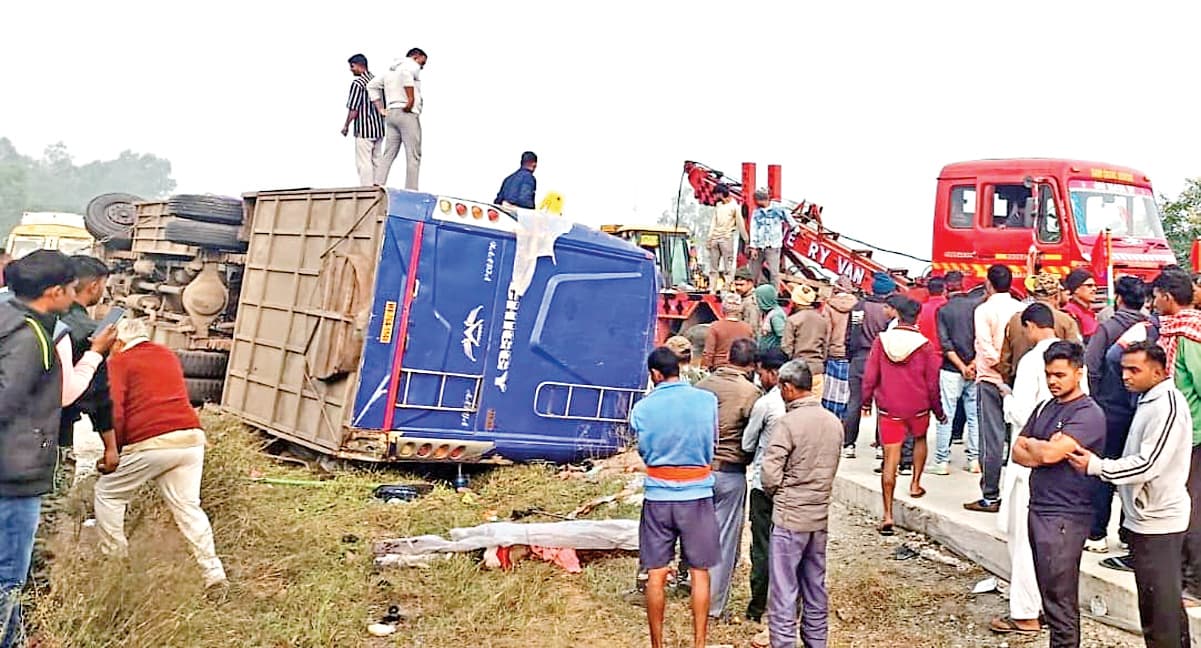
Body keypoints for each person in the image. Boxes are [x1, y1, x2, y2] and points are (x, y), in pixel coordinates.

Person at [1068, 342, 1192, 648]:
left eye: (1134, 369)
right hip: (1146, 518)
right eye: (1123, 369)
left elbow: (1149, 463)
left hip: (1158, 521)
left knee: (1159, 614)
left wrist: (1097, 466)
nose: (1126, 376)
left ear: (1159, 371)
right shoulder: (1148, 399)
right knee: (1162, 608)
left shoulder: (1167, 406)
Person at [94, 318, 228, 591]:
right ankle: (213, 574)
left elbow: (114, 410)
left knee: (108, 494)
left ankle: (115, 567)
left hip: (152, 441)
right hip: (191, 438)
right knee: (188, 508)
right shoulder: (167, 355)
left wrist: (113, 450)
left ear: (119, 343)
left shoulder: (120, 361)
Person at [0, 250, 77, 647]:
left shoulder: (5, 317)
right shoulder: (33, 338)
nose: (75, 295)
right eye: (72, 288)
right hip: (14, 473)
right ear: (54, 291)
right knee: (8, 574)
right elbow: (6, 401)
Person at [1011, 341, 1105, 648]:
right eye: (1049, 374)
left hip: (1066, 514)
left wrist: (1041, 448)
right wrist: (1043, 448)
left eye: (1060, 375)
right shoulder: (1045, 406)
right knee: (1049, 594)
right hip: (1039, 507)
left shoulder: (1088, 413)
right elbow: (1017, 451)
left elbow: (1050, 454)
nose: (1053, 381)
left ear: (1078, 374)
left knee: (1060, 598)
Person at [630, 347, 721, 648]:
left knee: (656, 573)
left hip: (658, 495)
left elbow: (643, 450)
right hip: (697, 493)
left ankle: (657, 643)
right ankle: (699, 642)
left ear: (655, 374)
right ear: (679, 369)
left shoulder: (642, 409)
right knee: (700, 572)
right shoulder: (706, 400)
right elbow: (714, 441)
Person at [760, 360, 843, 648]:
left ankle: (784, 643)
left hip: (789, 517)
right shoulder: (833, 422)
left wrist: (780, 495)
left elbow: (769, 475)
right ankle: (816, 642)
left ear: (788, 387)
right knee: (815, 587)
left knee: (783, 591)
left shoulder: (788, 423)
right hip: (818, 517)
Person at [991, 303, 1060, 637]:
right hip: (1058, 457)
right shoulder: (1072, 357)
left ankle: (1025, 614)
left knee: (1023, 540)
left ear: (1031, 326)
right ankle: (1049, 608)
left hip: (1029, 456)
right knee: (1048, 542)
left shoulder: (1034, 360)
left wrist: (1005, 396)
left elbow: (1021, 412)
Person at [861, 296, 945, 535]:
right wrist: (938, 410)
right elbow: (932, 384)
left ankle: (887, 514)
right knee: (919, 440)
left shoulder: (882, 341)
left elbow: (870, 376)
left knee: (890, 457)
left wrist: (866, 401)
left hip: (889, 407)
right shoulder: (925, 346)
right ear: (917, 317)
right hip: (918, 405)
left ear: (897, 314)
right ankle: (915, 483)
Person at [1084, 276, 1153, 554]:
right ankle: (1127, 533)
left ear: (1119, 299)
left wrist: (1098, 395)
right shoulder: (1150, 328)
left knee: (1103, 471)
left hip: (1109, 410)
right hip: (1138, 410)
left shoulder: (1108, 327)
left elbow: (1091, 364)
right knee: (1132, 471)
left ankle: (1098, 534)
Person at [694, 338, 761, 621]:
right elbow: (753, 437)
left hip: (696, 470)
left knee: (696, 536)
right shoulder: (751, 393)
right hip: (730, 472)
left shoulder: (701, 386)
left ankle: (691, 588)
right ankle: (711, 607)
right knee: (722, 541)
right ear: (751, 365)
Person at [1154, 268, 1201, 601]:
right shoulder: (1174, 331)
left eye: (1156, 295)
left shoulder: (1188, 335)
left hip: (1193, 435)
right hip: (1178, 432)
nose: (1153, 301)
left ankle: (1195, 582)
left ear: (1168, 297)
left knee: (1193, 508)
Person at [966, 265, 1024, 513]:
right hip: (1017, 379)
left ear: (988, 283)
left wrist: (999, 367)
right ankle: (1017, 497)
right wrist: (1010, 370)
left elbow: (984, 344)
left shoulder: (984, 310)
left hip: (990, 379)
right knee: (1018, 435)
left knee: (991, 438)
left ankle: (990, 495)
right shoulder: (1020, 309)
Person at [740, 348, 789, 626]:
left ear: (772, 373)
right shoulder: (810, 406)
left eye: (761, 373)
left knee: (762, 546)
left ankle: (758, 606)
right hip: (793, 489)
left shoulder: (766, 405)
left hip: (763, 485)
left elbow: (747, 444)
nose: (760, 378)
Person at [842, 271, 896, 458]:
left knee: (854, 401)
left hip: (860, 358)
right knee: (883, 404)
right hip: (883, 360)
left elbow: (850, 335)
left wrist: (851, 355)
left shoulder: (859, 307)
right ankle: (881, 446)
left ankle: (849, 445)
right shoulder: (890, 311)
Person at [934, 271, 982, 475]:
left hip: (951, 370)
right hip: (975, 368)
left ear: (946, 287)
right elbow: (981, 340)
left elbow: (945, 344)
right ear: (963, 285)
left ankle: (942, 461)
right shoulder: (976, 308)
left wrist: (961, 367)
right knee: (974, 416)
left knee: (946, 415)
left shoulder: (943, 311)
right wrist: (971, 364)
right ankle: (974, 460)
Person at [998, 272, 1082, 383]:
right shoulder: (1066, 321)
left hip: (1019, 382)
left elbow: (1005, 360)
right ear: (1056, 296)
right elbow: (1076, 356)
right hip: (1056, 383)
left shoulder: (1014, 319)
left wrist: (1010, 381)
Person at [367, 47, 428, 190]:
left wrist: (380, 108)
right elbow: (407, 75)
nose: (422, 67)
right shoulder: (411, 65)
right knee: (413, 154)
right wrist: (410, 99)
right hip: (407, 112)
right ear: (416, 56)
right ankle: (411, 188)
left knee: (389, 152)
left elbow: (371, 86)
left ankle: (378, 183)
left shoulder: (390, 70)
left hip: (391, 112)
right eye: (422, 63)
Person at [342, 53, 386, 186]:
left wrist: (346, 125)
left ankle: (366, 189)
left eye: (352, 66)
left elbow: (354, 108)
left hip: (364, 128)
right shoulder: (377, 81)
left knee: (364, 161)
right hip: (379, 127)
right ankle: (379, 186)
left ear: (360, 66)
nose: (351, 69)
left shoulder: (358, 84)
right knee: (377, 159)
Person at [781, 285, 829, 398]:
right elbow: (825, 347)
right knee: (814, 407)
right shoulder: (822, 320)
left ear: (795, 301)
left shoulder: (793, 320)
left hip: (798, 370)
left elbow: (786, 347)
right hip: (817, 370)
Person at [821, 278, 857, 420]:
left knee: (831, 393)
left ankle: (831, 422)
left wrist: (824, 355)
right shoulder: (858, 306)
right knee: (847, 393)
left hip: (834, 354)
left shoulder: (829, 307)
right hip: (850, 354)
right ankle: (844, 424)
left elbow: (826, 333)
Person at [747, 188, 797, 287]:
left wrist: (796, 229)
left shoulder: (779, 209)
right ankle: (751, 292)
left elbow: (791, 221)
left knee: (774, 273)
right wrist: (753, 247)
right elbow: (753, 230)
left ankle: (774, 295)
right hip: (759, 246)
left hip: (773, 246)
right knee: (753, 272)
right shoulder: (756, 213)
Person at [706, 186, 746, 293]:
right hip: (715, 238)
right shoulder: (718, 206)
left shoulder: (734, 207)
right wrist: (709, 238)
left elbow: (740, 224)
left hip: (726, 238)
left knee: (728, 266)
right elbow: (713, 223)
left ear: (720, 193)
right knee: (713, 267)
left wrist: (746, 239)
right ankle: (712, 289)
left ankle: (727, 287)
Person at [702, 294, 754, 370]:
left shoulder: (715, 326)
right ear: (739, 310)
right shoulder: (748, 328)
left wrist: (704, 368)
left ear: (723, 309)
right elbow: (751, 352)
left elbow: (708, 353)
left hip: (719, 368)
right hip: (741, 369)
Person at [1062, 268, 1099, 343]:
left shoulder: (1089, 312)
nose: (1094, 289)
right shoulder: (1069, 312)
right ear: (1076, 289)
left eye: (1095, 286)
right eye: (1089, 286)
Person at [916, 276, 947, 358]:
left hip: (924, 353)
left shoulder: (920, 309)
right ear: (944, 290)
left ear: (928, 291)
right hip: (946, 355)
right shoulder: (950, 307)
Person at [755, 285, 786, 353]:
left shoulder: (776, 315)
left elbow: (782, 337)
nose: (756, 301)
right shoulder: (767, 312)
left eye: (758, 298)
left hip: (771, 355)